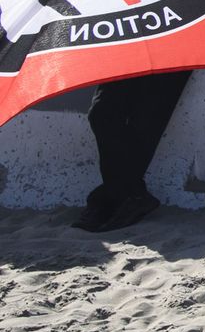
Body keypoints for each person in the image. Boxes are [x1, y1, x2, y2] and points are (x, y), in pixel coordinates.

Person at [71, 69, 192, 231]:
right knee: (101, 113)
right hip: (127, 48)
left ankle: (119, 198)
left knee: (146, 119)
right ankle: (123, 195)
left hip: (171, 49)